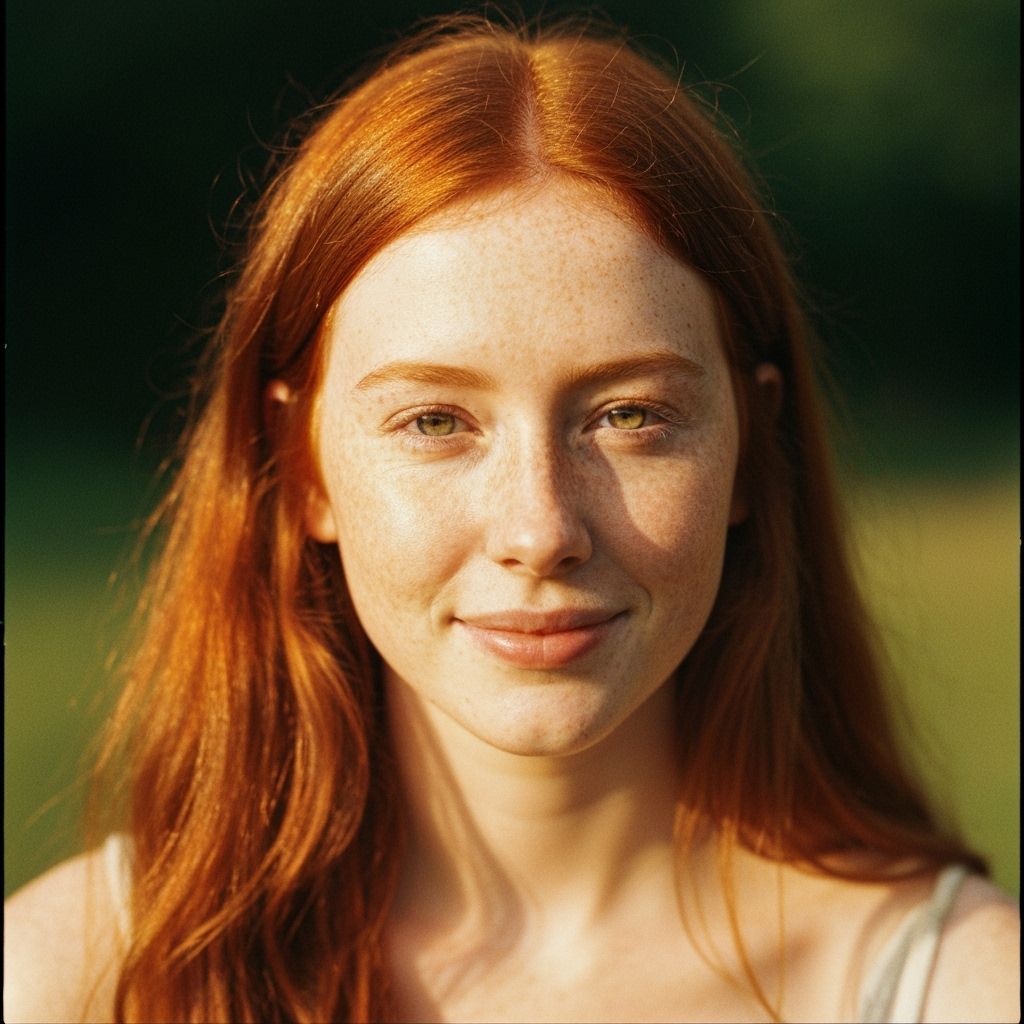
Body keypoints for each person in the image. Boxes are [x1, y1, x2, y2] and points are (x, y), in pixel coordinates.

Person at [3, 15, 1018, 1023]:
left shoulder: (956, 989)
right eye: (435, 420)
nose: (538, 528)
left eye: (629, 415)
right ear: (299, 462)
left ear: (750, 442)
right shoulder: (81, 980)